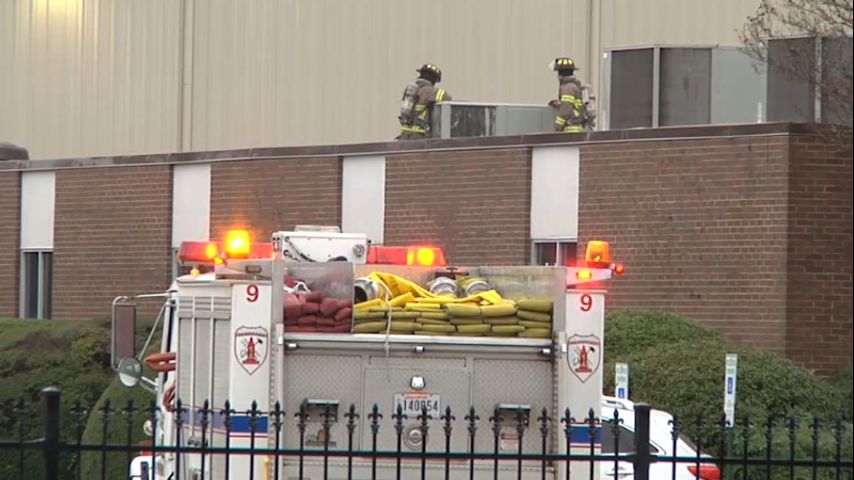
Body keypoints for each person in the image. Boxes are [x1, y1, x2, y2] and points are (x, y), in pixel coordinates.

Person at [397, 63, 452, 140]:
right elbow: (449, 101)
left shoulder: (410, 90)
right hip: (420, 139)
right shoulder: (435, 92)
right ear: (434, 79)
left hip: (404, 137)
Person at [549, 57, 588, 133]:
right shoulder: (575, 85)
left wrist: (558, 125)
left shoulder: (568, 87)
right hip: (578, 128)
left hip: (570, 130)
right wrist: (559, 105)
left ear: (560, 74)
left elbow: (566, 108)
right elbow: (573, 105)